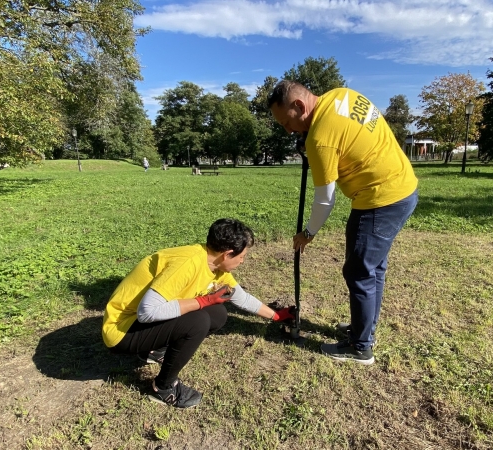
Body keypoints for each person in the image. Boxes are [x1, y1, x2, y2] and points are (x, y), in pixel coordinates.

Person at [268, 81, 419, 365]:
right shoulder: (341, 96)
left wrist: (308, 233)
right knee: (373, 269)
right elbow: (346, 134)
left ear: (299, 106)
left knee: (359, 272)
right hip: (402, 188)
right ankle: (364, 329)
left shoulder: (320, 138)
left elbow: (325, 199)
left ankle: (360, 347)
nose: (288, 130)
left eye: (287, 122)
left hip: (380, 199)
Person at [102, 218, 294, 408]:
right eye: (242, 256)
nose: (243, 261)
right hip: (122, 331)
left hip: (141, 325)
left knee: (217, 314)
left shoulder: (214, 263)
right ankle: (163, 388)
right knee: (198, 321)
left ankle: (153, 350)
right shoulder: (188, 263)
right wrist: (204, 301)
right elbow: (146, 312)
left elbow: (240, 297)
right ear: (227, 254)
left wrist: (277, 316)